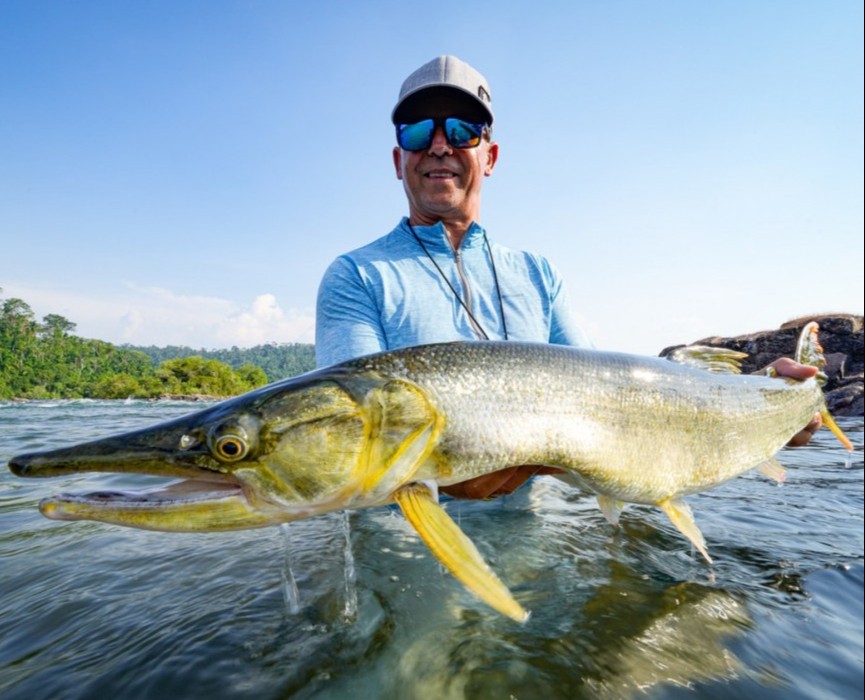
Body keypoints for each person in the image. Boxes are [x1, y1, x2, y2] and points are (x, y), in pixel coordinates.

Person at [315, 55, 820, 500]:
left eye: (463, 130)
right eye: (419, 132)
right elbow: (345, 442)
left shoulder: (539, 274)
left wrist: (764, 404)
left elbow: (615, 402)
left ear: (489, 157)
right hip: (400, 555)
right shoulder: (355, 275)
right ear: (398, 159)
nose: (440, 146)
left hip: (541, 545)